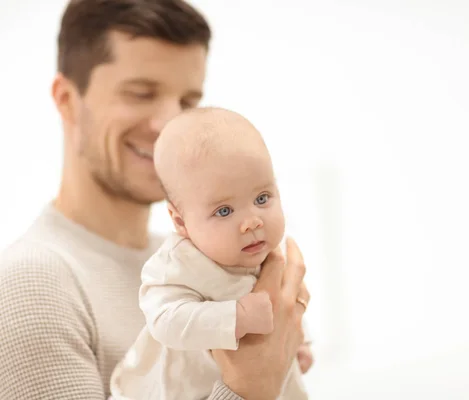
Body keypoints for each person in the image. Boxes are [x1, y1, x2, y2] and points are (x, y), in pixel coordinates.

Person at [0, 1, 310, 399]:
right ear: (66, 99)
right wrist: (251, 386)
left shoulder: (198, 256)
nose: (168, 124)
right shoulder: (29, 285)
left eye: (187, 102)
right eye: (141, 94)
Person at [110, 107, 310, 400]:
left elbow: (282, 312)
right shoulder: (178, 263)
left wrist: (295, 345)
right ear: (181, 222)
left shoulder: (265, 255)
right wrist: (235, 316)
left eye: (262, 198)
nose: (252, 221)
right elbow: (165, 320)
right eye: (224, 211)